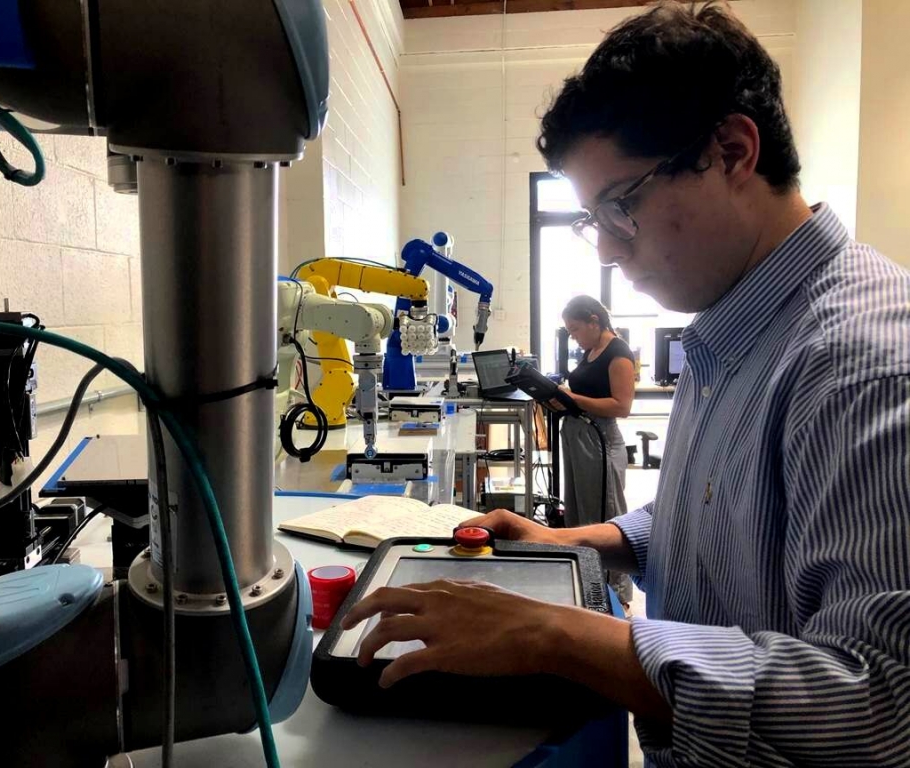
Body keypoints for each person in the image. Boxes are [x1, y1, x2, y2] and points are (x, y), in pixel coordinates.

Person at [342, 3, 910, 766]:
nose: (606, 250)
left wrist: (556, 634)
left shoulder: (861, 365)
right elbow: (710, 521)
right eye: (591, 220)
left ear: (733, 151)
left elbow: (879, 704)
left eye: (622, 204)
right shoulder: (734, 330)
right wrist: (578, 542)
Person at [556, 295, 635, 606]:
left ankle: (616, 595)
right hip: (580, 437)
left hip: (600, 441)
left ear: (594, 321)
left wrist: (573, 399)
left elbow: (622, 406)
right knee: (579, 514)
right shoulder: (592, 350)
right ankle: (586, 582)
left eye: (575, 329)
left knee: (604, 517)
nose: (573, 336)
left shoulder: (619, 353)